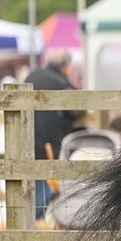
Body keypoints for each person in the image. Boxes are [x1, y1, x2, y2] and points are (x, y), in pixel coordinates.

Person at [24, 50, 83, 219]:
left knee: (30, 186)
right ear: (65, 67)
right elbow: (78, 109)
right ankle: (34, 226)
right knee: (45, 188)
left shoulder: (32, 76)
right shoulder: (61, 83)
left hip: (27, 141)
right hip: (49, 145)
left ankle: (30, 225)